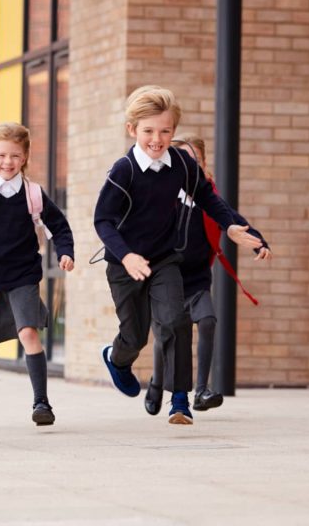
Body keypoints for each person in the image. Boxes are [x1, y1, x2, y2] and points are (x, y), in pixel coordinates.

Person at [94, 85, 265, 425]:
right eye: (148, 132)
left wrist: (232, 226)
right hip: (124, 264)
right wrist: (127, 256)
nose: (157, 140)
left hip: (164, 259)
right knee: (136, 335)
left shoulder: (182, 164)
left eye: (165, 131)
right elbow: (103, 220)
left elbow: (208, 197)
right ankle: (117, 358)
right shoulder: (123, 170)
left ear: (173, 131)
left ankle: (180, 401)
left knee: (175, 321)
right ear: (132, 130)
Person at [0, 122, 74, 426]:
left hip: (24, 275)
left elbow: (59, 226)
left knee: (29, 333)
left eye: (15, 155)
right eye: (1, 155)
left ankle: (41, 402)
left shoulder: (33, 194)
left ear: (24, 157)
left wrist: (65, 251)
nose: (8, 162)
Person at [165, 134, 271, 413]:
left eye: (196, 161)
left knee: (208, 321)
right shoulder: (164, 197)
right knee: (172, 335)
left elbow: (235, 220)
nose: (191, 166)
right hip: (168, 278)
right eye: (185, 161)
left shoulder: (208, 199)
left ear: (203, 164)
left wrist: (260, 243)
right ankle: (158, 385)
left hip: (198, 277)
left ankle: (201, 391)